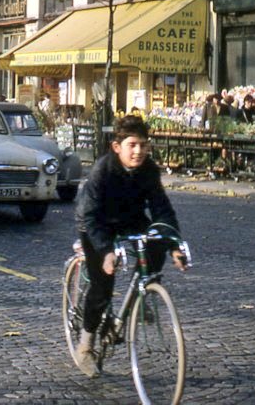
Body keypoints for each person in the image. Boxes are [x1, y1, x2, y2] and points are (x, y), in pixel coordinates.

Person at [74, 115, 188, 378]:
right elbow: (89, 216)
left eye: (144, 145)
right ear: (117, 147)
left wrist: (174, 246)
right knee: (103, 285)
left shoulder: (149, 169)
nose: (139, 151)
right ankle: (85, 345)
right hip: (96, 223)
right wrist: (106, 252)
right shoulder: (102, 170)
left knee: (156, 241)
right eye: (133, 145)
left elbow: (162, 210)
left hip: (130, 220)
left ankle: (142, 293)